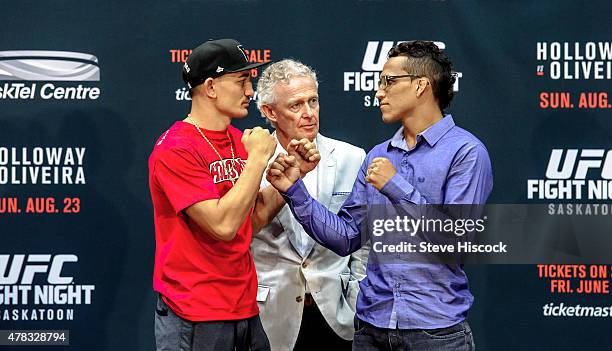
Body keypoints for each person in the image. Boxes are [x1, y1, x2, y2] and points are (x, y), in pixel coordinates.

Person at [266, 41, 493, 350]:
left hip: (434, 332)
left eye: (389, 81)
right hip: (372, 329)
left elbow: (456, 243)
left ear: (421, 86)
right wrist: (295, 191)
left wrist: (396, 187)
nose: (379, 92)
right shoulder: (379, 155)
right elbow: (347, 236)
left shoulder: (466, 152)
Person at [149, 38, 283, 351]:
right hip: (195, 312)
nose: (250, 92)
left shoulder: (239, 140)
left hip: (244, 308)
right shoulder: (175, 149)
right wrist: (258, 161)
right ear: (210, 87)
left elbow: (250, 222)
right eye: (241, 81)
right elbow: (222, 226)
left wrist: (288, 181)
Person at [251, 59, 368, 351]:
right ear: (269, 112)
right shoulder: (250, 161)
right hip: (270, 316)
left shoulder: (351, 158)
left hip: (338, 316)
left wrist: (356, 299)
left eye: (312, 101)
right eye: (295, 105)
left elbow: (366, 241)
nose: (308, 114)